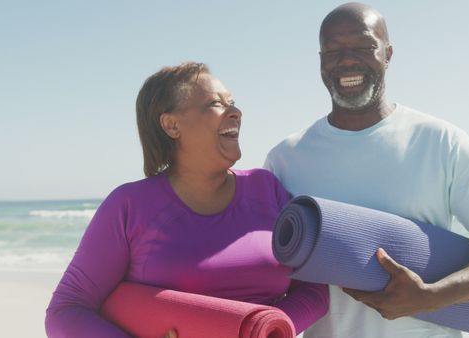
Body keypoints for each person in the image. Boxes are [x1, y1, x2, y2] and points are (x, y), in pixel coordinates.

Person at [264, 3, 469, 337]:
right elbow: (259, 272)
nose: (346, 60)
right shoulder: (286, 159)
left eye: (363, 47)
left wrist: (430, 297)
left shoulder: (440, 142)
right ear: (320, 60)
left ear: (387, 54)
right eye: (333, 50)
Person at [45, 62, 328, 337]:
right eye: (216, 104)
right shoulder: (130, 205)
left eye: (232, 102)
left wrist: (267, 330)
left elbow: (314, 289)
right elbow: (67, 310)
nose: (235, 112)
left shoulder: (267, 189)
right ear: (171, 125)